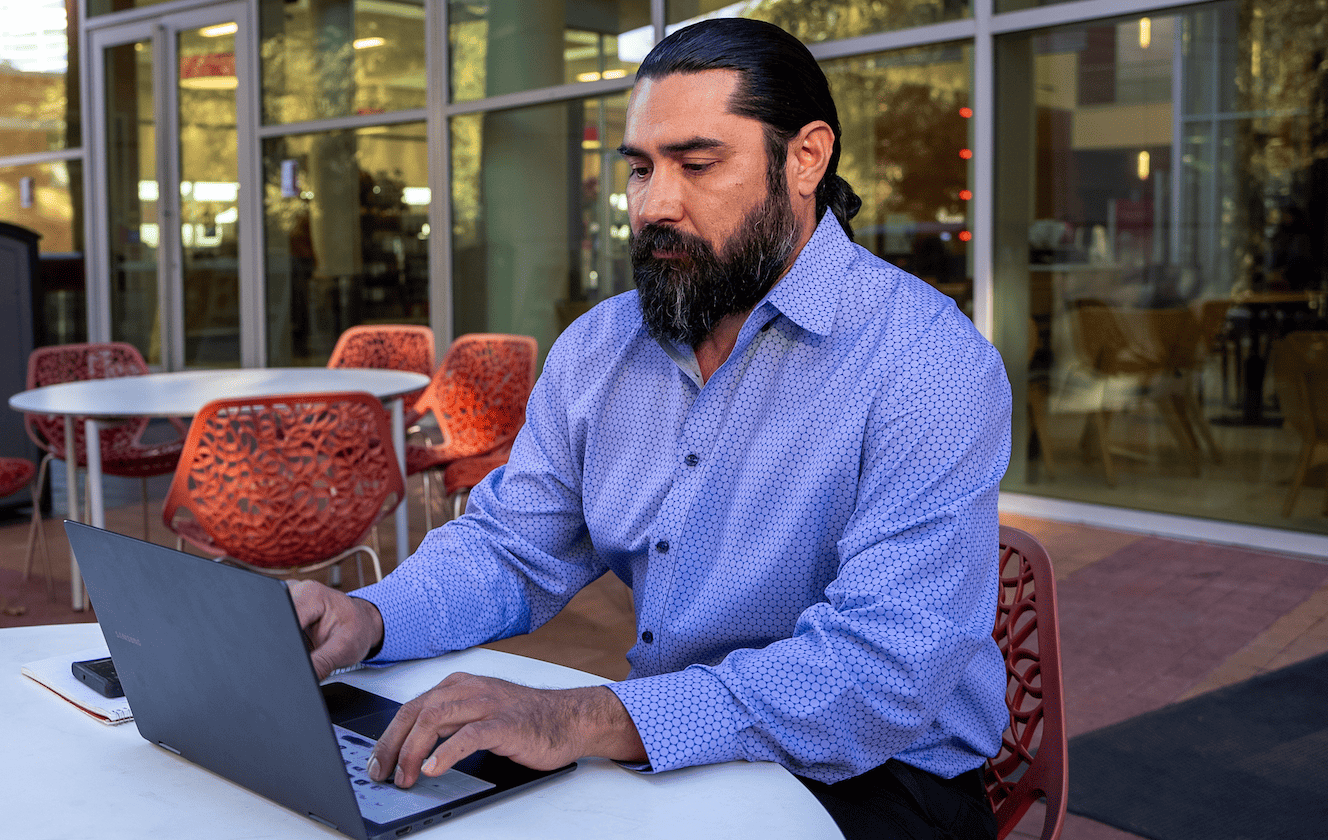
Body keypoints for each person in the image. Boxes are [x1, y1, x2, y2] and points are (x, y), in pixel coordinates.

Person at [291, 17, 1010, 840]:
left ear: (805, 158)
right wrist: (369, 619)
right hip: (669, 749)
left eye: (698, 164)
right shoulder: (602, 348)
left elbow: (879, 675)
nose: (655, 204)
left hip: (882, 777)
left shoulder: (927, 364)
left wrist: (576, 720)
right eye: (639, 168)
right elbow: (511, 547)